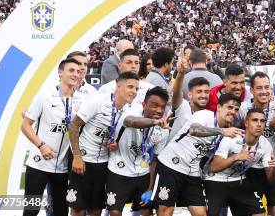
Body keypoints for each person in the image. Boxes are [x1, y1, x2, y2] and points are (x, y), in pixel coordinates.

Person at [151, 94, 244, 216]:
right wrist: (221, 131)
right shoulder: (205, 115)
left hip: (192, 172)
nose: (233, 112)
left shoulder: (229, 130)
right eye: (230, 107)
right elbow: (194, 130)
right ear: (219, 107)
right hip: (171, 166)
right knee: (165, 211)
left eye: (236, 109)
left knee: (201, 213)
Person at [67, 71, 140, 216]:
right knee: (78, 208)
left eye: (136, 89)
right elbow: (74, 125)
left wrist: (112, 144)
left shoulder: (129, 109)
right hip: (83, 160)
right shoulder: (98, 101)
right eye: (130, 87)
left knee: (96, 209)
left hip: (104, 164)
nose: (134, 92)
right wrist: (77, 156)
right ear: (118, 86)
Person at [21, 58, 82, 216]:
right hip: (38, 165)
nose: (75, 74)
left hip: (61, 167)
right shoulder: (44, 97)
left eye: (78, 71)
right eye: (71, 70)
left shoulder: (81, 101)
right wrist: (41, 146)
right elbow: (25, 126)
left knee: (61, 211)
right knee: (30, 210)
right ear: (60, 72)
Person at [104, 87, 172, 216]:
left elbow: (155, 160)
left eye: (162, 107)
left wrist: (150, 188)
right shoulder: (132, 111)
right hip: (118, 171)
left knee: (146, 211)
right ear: (144, 104)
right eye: (154, 105)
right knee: (114, 212)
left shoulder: (163, 128)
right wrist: (154, 122)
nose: (159, 110)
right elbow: (132, 121)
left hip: (143, 174)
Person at [206, 109, 275, 216]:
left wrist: (274, 169)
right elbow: (214, 167)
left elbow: (271, 179)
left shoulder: (265, 144)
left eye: (262, 121)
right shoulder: (233, 138)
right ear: (246, 123)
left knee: (260, 214)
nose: (259, 124)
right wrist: (236, 157)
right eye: (255, 120)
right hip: (216, 181)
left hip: (238, 181)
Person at [238, 71, 275, 216]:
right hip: (252, 166)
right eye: (259, 88)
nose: (264, 91)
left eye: (267, 87)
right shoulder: (243, 109)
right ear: (252, 90)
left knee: (274, 209)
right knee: (254, 210)